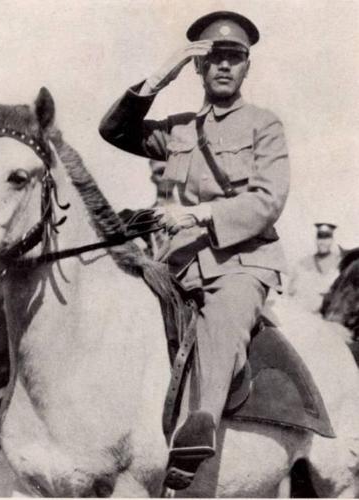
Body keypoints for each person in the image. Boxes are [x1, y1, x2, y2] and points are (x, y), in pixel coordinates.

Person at [99, 10, 289, 489]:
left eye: (234, 58)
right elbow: (115, 131)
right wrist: (161, 75)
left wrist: (203, 215)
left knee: (223, 319)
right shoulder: (180, 129)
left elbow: (268, 198)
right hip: (175, 265)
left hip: (241, 264)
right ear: (200, 69)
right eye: (213, 59)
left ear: (247, 67)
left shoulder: (265, 126)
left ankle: (198, 425)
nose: (224, 66)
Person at [288, 223, 340, 313]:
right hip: (301, 315)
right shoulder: (303, 263)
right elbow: (291, 291)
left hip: (325, 318)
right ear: (316, 239)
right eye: (320, 237)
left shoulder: (339, 265)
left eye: (326, 237)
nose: (322, 242)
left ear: (332, 240)